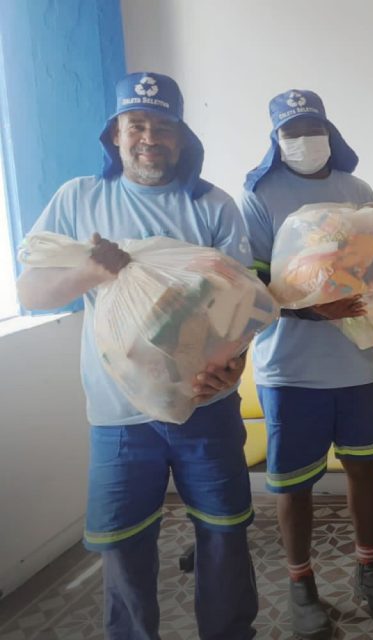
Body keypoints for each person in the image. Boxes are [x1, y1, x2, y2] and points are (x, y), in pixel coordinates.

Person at [16, 72, 258, 640]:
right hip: (118, 415)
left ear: (182, 136)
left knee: (224, 535)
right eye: (136, 125)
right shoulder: (79, 198)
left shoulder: (213, 206)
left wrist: (232, 368)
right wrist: (92, 270)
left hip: (206, 407)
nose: (149, 138)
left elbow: (242, 307)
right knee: (124, 547)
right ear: (115, 135)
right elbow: (30, 293)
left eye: (162, 126)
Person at [241, 90, 373, 639]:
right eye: (291, 131)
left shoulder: (358, 191)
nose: (304, 140)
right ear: (276, 138)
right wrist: (309, 308)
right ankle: (301, 584)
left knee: (364, 469)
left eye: (313, 128)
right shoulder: (259, 195)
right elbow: (253, 282)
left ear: (330, 131)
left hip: (356, 363)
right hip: (290, 369)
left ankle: (370, 572)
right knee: (293, 484)